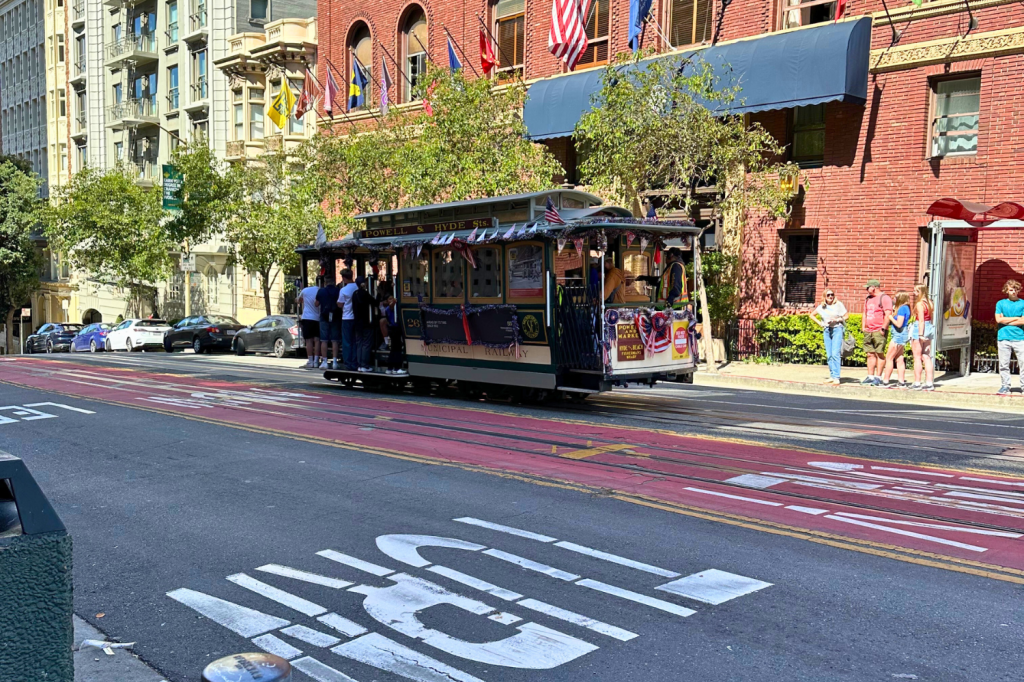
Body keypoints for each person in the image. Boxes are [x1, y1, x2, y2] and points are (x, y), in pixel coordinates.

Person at [810, 289, 848, 385]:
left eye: (832, 295)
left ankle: (836, 377)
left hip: (837, 329)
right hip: (827, 330)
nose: (831, 297)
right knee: (829, 354)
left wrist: (837, 319)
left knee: (835, 353)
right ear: (824, 297)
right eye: (828, 295)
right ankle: (832, 375)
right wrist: (820, 323)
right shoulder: (822, 307)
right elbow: (812, 315)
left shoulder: (838, 305)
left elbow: (847, 316)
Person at [995, 279, 1024, 396]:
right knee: (1003, 364)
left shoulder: (1022, 303)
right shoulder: (1000, 303)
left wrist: (1005, 320)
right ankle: (1005, 386)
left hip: (1020, 337)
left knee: (1023, 363)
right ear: (1006, 290)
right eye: (1011, 289)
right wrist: (1016, 319)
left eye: (1016, 289)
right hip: (1003, 337)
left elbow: (1023, 321)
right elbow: (998, 320)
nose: (1014, 292)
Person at [861, 279, 893, 386]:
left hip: (878, 330)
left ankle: (878, 377)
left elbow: (888, 314)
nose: (866, 289)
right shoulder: (868, 299)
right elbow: (865, 313)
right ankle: (870, 376)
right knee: (870, 353)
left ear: (874, 287)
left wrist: (883, 328)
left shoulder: (885, 298)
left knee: (879, 353)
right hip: (868, 331)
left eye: (867, 287)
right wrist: (863, 327)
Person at [881, 290, 911, 388]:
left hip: (899, 334)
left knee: (889, 358)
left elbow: (899, 324)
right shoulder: (906, 308)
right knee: (899, 358)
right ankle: (901, 381)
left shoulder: (902, 309)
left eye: (896, 297)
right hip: (903, 334)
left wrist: (890, 317)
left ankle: (885, 381)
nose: (894, 299)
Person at [909, 283, 935, 391]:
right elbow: (930, 318)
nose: (914, 293)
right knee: (926, 356)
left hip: (920, 329)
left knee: (917, 357)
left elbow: (921, 321)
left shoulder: (920, 304)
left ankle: (917, 382)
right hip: (929, 327)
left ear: (920, 292)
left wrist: (920, 334)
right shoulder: (930, 302)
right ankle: (929, 382)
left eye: (915, 291)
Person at [352, 275, 377, 372]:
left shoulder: (355, 294)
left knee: (359, 343)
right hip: (366, 322)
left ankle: (359, 364)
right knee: (366, 344)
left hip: (357, 323)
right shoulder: (365, 294)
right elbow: (374, 302)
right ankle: (364, 364)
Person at [316, 275, 340, 370]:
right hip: (335, 317)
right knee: (335, 340)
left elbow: (316, 304)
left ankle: (325, 361)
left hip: (324, 316)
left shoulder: (321, 291)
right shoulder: (338, 291)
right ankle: (334, 362)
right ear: (333, 282)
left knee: (324, 340)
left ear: (325, 282)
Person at [336, 269, 358, 371]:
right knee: (355, 341)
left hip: (347, 317)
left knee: (347, 342)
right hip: (356, 318)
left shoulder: (343, 290)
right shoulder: (357, 287)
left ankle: (348, 363)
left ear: (344, 278)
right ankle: (355, 362)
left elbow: (340, 304)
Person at [297, 278, 320, 368]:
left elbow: (298, 300)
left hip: (307, 318)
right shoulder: (320, 291)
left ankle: (310, 361)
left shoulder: (305, 291)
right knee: (317, 340)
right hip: (317, 318)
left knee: (309, 340)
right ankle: (316, 361)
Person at [381, 294, 407, 375]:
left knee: (394, 349)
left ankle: (390, 368)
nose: (391, 300)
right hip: (394, 329)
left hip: (395, 329)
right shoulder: (389, 308)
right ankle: (396, 368)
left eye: (392, 298)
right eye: (389, 299)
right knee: (396, 349)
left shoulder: (393, 308)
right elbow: (393, 304)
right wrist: (396, 299)